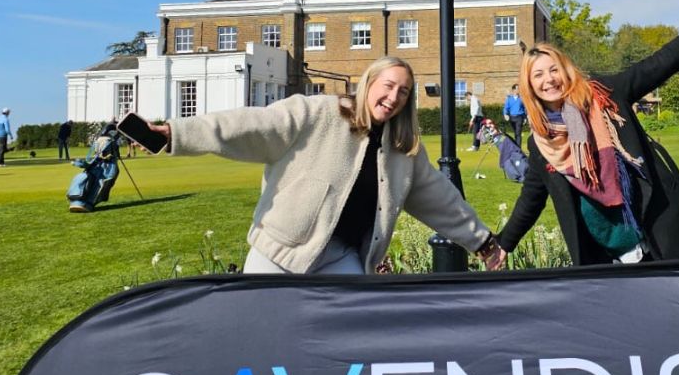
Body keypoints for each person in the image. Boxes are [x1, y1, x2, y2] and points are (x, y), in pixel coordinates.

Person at [145, 56, 507, 275]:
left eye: (404, 92)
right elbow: (250, 125)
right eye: (388, 85)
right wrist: (175, 134)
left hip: (343, 258)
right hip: (280, 252)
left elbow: (441, 200)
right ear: (368, 84)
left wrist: (483, 243)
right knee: (258, 343)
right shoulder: (318, 113)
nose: (393, 97)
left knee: (348, 342)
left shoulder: (404, 150)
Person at [497, 0, 679, 266]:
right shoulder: (541, 142)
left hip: (658, 231)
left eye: (553, 69)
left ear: (565, 71)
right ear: (529, 85)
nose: (548, 79)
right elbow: (531, 198)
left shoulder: (607, 95)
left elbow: (660, 63)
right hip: (606, 253)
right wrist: (503, 244)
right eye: (538, 75)